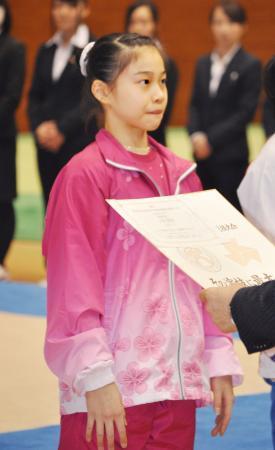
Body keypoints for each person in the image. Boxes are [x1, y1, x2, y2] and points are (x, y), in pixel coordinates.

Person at [43, 32, 243, 450]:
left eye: (164, 81)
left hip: (176, 387)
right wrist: (94, 377)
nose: (158, 94)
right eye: (144, 81)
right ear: (102, 91)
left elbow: (202, 275)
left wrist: (218, 358)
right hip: (112, 386)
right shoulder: (85, 176)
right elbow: (72, 285)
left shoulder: (184, 175)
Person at [187, 0, 261, 211]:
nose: (224, 29)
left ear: (243, 27)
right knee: (203, 215)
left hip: (231, 157)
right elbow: (194, 105)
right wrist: (195, 136)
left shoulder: (250, 64)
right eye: (218, 22)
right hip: (201, 157)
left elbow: (244, 113)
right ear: (211, 26)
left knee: (230, 218)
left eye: (231, 22)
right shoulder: (203, 63)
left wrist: (210, 139)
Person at [28, 0, 97, 210]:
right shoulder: (46, 50)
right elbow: (34, 96)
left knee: (77, 211)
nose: (61, 12)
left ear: (83, 9)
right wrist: (39, 127)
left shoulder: (94, 50)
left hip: (78, 144)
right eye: (56, 6)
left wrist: (61, 129)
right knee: (50, 210)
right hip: (46, 147)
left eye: (68, 5)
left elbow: (92, 98)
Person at [125, 0, 179, 146]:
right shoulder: (121, 65)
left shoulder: (167, 64)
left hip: (153, 141)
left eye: (143, 22)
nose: (136, 27)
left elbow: (163, 113)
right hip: (123, 140)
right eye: (133, 22)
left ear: (154, 25)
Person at [0, 0, 25, 280]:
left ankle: (1, 259)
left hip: (2, 136)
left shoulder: (14, 48)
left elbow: (12, 95)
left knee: (3, 199)